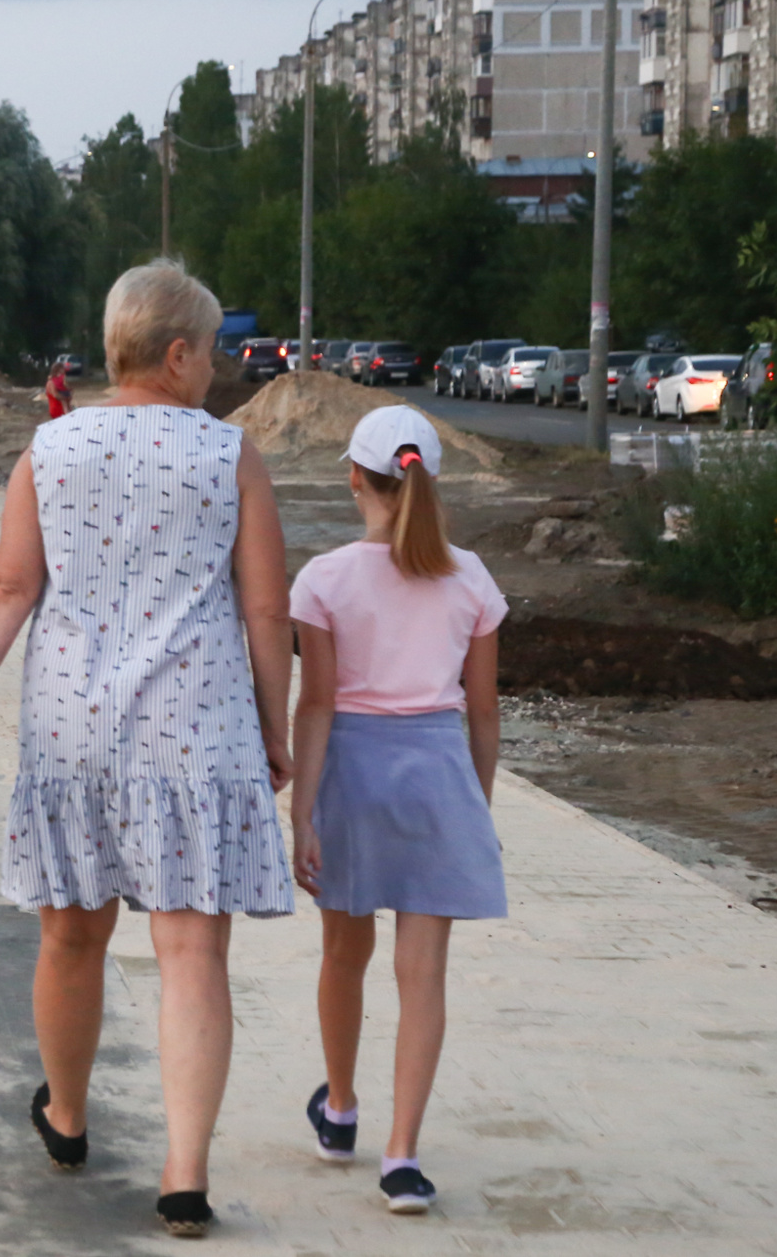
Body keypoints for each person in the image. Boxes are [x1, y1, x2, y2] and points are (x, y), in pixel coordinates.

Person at [0, 259, 294, 1237]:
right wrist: (274, 725)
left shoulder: (48, 449)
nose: (216, 371)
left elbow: (8, 587)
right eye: (212, 352)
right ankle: (181, 1175)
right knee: (189, 950)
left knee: (70, 930)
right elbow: (264, 606)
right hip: (197, 723)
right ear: (176, 355)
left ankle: (66, 1114)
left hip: (73, 724)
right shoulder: (229, 456)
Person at [287, 405, 506, 1217]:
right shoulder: (472, 577)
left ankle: (339, 1109)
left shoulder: (324, 579)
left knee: (344, 953)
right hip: (439, 773)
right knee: (424, 976)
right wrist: (471, 809)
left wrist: (301, 811)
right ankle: (403, 1157)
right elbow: (483, 713)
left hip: (352, 773)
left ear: (354, 476)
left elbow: (315, 706)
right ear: (430, 478)